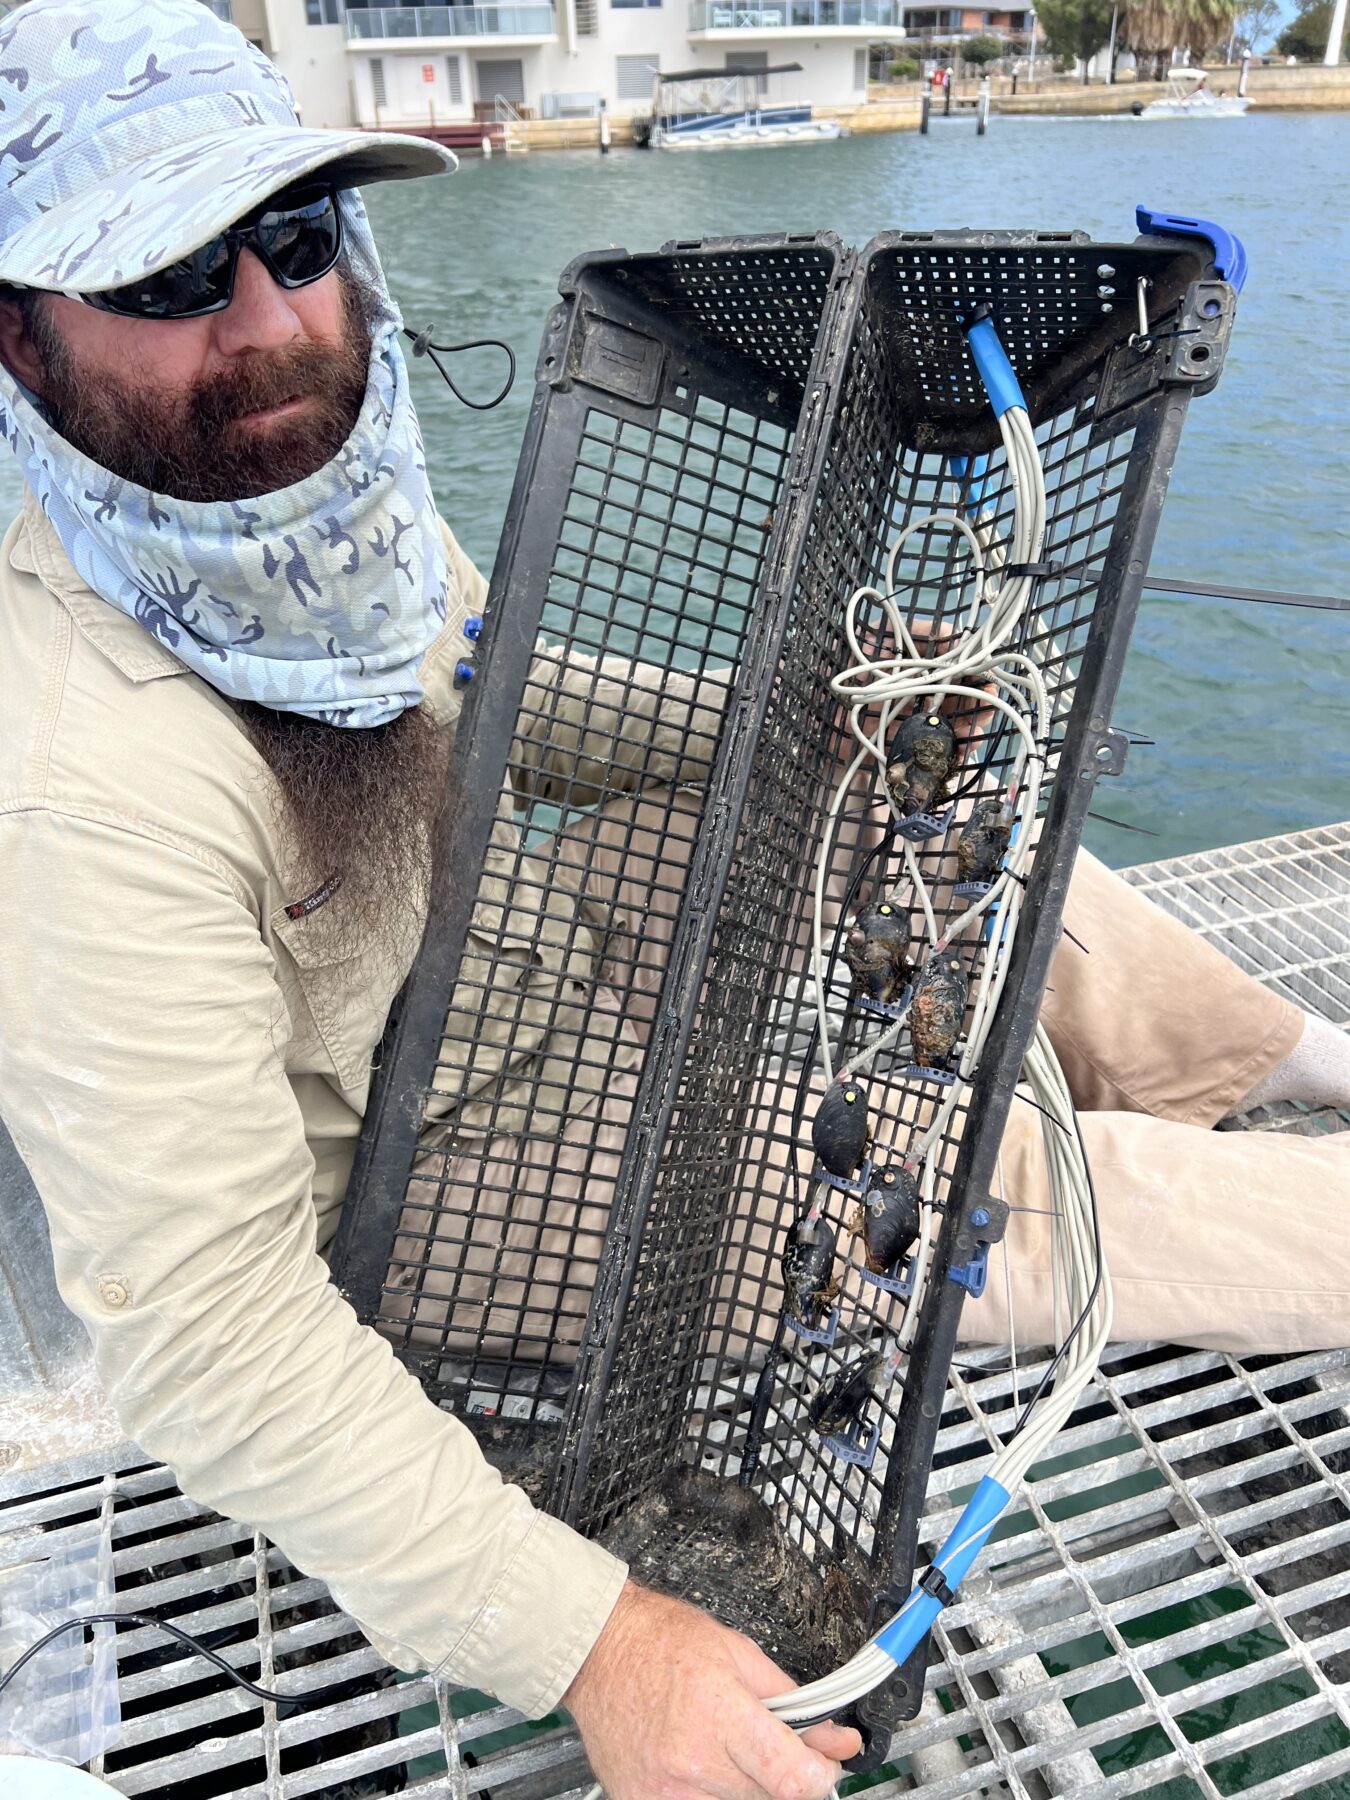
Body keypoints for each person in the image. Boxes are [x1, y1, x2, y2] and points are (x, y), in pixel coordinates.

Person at [0, 3, 1345, 1797]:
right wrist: (597, 1645)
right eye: (165, 276)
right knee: (938, 1174)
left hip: (516, 950)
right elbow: (206, 1331)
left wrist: (826, 722)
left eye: (300, 238)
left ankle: (1299, 1055)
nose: (271, 318)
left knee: (908, 801)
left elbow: (492, 707)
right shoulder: (72, 779)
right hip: (440, 1202)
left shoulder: (297, 500)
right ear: (19, 338)